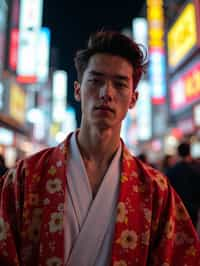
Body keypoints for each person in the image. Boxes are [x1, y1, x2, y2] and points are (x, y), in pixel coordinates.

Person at [0, 31, 199, 266]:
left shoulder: (156, 191)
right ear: (77, 90)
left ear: (133, 99)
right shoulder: (25, 178)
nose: (106, 93)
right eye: (95, 81)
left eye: (119, 84)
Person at [167, 141, 200, 227]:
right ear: (189, 151)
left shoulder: (173, 171)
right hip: (193, 207)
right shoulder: (196, 168)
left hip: (178, 207)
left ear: (178, 153)